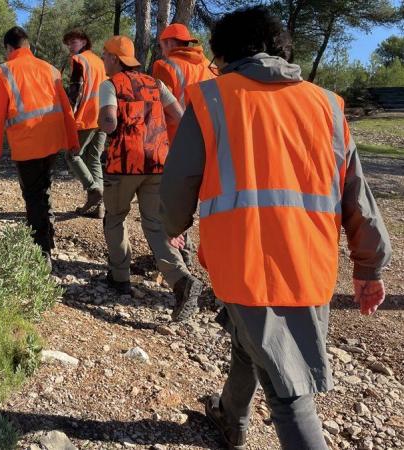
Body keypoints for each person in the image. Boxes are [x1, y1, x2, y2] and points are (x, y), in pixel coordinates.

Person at [160, 7, 392, 449]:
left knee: (290, 396)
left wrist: (175, 226)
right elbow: (357, 195)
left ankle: (241, 419)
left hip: (243, 264)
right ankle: (231, 416)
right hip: (309, 265)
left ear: (226, 55)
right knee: (250, 343)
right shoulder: (326, 104)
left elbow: (178, 183)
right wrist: (369, 267)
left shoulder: (211, 98)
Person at [98, 35, 203, 321]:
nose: (103, 60)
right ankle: (181, 280)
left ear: (114, 59)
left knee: (115, 217)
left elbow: (109, 121)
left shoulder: (110, 85)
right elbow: (180, 115)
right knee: (155, 225)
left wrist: (106, 123)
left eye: (104, 55)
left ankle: (119, 277)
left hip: (123, 165)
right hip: (157, 162)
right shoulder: (155, 83)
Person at [0, 26, 80, 267]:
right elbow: (67, 109)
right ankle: (48, 235)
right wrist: (73, 141)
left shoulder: (5, 71)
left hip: (27, 144)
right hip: (52, 141)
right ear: (28, 45)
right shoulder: (50, 69)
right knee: (43, 188)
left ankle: (41, 251)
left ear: (9, 48)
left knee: (32, 195)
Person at [151, 23, 215, 269]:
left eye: (162, 45)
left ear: (168, 44)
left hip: (175, 144)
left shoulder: (165, 66)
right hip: (209, 142)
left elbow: (159, 109)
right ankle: (192, 256)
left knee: (172, 205)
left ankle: (177, 261)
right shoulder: (210, 67)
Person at [62, 30, 108, 218]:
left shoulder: (79, 61)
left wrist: (68, 114)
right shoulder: (99, 61)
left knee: (72, 155)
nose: (71, 46)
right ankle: (100, 208)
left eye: (74, 42)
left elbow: (76, 91)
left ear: (84, 41)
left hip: (87, 116)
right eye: (69, 43)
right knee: (94, 158)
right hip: (103, 116)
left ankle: (93, 188)